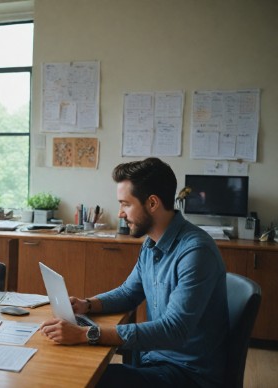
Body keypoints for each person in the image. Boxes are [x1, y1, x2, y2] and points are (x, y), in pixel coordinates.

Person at [40, 158, 228, 387]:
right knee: (73, 367)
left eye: (125, 204)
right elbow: (130, 293)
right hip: (154, 359)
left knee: (83, 379)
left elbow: (173, 330)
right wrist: (87, 304)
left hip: (188, 375)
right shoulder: (151, 244)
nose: (120, 213)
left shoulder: (196, 252)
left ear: (152, 203)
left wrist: (85, 334)